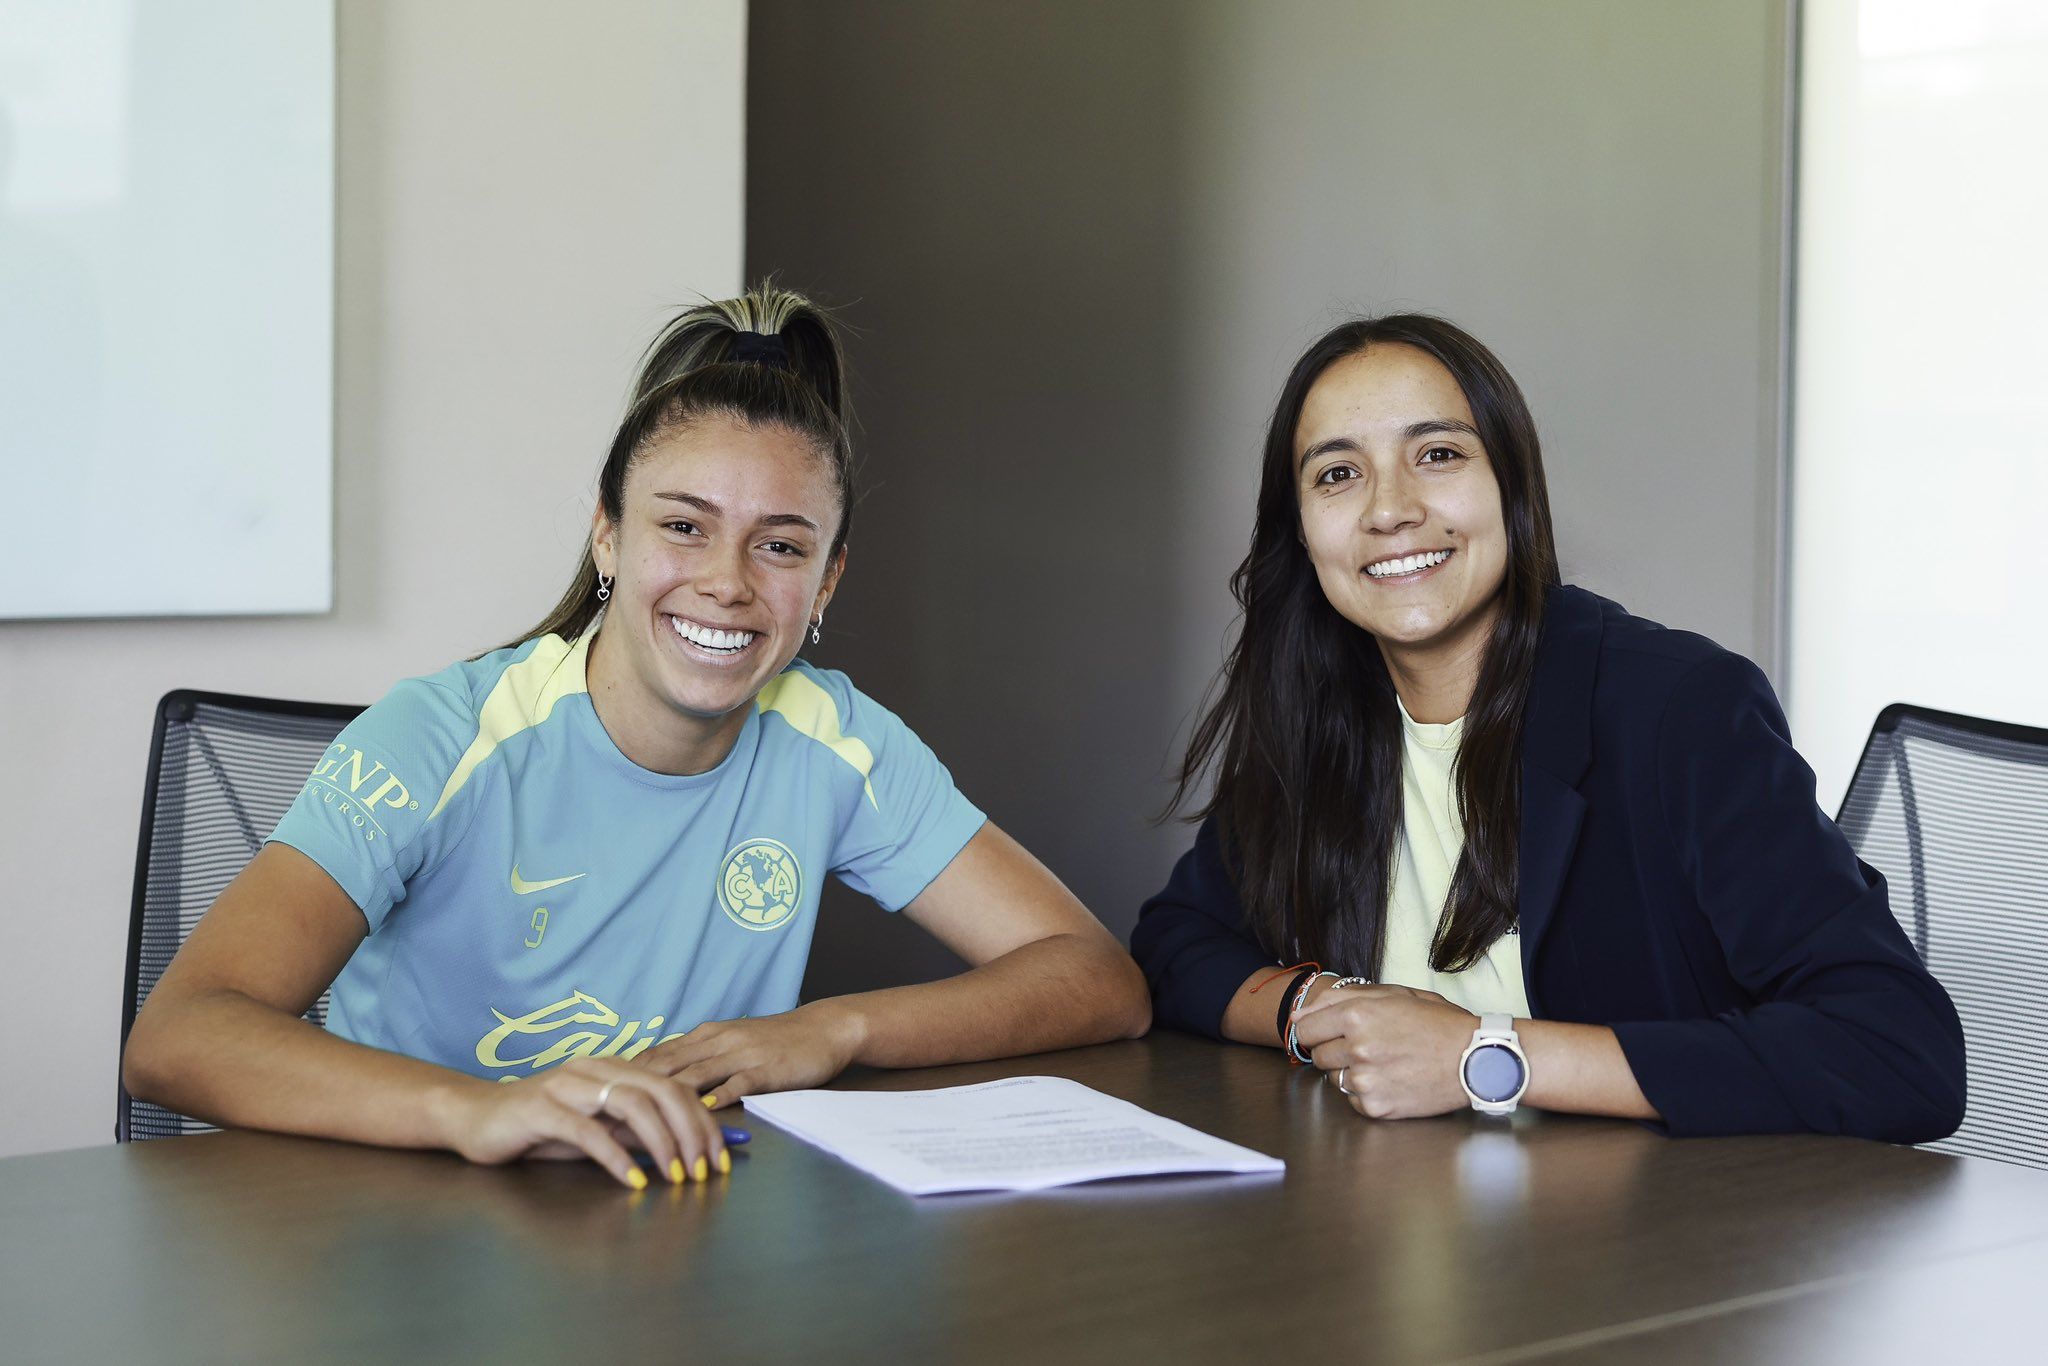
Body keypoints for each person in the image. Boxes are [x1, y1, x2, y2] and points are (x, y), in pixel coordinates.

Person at [125, 285, 1151, 1188]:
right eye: (683, 525)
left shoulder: (835, 741)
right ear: (607, 533)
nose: (728, 582)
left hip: (667, 1230)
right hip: (404, 1229)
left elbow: (1094, 978)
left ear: (827, 581)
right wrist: (474, 1110)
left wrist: (832, 1027)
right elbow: (179, 1034)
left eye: (781, 546)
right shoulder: (439, 735)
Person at [1131, 314, 1964, 1141]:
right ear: (1302, 532)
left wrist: (1485, 1058)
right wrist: (1316, 1005)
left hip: (1654, 1244)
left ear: (1513, 487)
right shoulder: (1325, 716)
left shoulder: (1680, 710)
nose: (1390, 510)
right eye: (1338, 473)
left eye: (1438, 455)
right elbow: (1177, 944)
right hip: (1394, 1228)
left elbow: (1897, 1052)